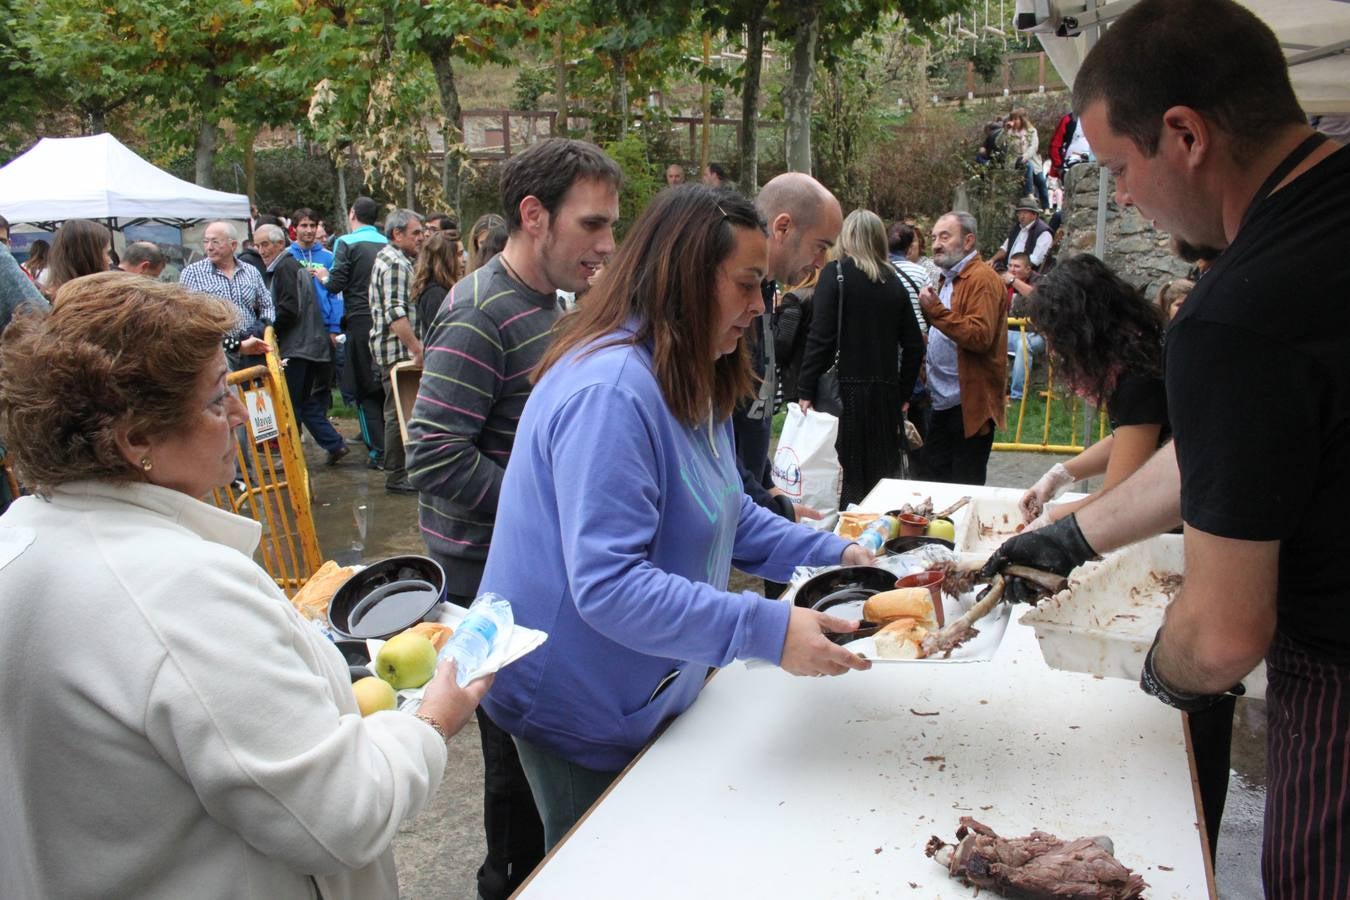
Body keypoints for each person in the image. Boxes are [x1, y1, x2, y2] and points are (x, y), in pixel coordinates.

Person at [981, 2, 1348, 894]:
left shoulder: (1241, 308)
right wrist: (1073, 538)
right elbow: (1228, 448)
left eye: (1118, 168)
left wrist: (1153, 677)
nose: (1127, 197)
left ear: (1184, 135)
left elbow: (1224, 635)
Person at [0, 272, 488, 898]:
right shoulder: (176, 589)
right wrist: (431, 720)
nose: (238, 413)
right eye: (212, 401)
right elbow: (342, 813)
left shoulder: (24, 539)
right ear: (136, 439)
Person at [477, 184, 873, 852]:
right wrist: (767, 629)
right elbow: (608, 585)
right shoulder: (609, 393)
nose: (758, 307)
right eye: (747, 286)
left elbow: (728, 515)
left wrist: (839, 554)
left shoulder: (688, 370)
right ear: (687, 279)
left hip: (646, 686)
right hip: (580, 705)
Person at [405, 138, 621, 900]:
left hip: (535, 564)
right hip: (488, 577)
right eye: (592, 225)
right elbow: (430, 455)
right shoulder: (478, 312)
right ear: (534, 216)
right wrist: (544, 510)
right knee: (516, 775)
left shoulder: (554, 306)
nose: (606, 245)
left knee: (544, 757)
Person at [733, 172, 844, 528]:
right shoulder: (735, 303)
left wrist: (766, 482)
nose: (819, 261)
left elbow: (749, 411)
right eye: (820, 245)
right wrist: (764, 500)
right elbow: (715, 434)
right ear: (782, 228)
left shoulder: (765, 292)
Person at [798, 210, 925, 507]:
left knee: (845, 477)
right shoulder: (893, 283)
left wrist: (805, 388)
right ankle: (875, 536)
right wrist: (903, 392)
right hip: (884, 395)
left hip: (843, 392)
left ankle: (846, 541)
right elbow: (914, 345)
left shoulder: (835, 274)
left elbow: (821, 337)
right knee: (880, 479)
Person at [916, 211, 1007, 485]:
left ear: (968, 242)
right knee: (935, 484)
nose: (936, 244)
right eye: (934, 237)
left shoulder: (982, 279)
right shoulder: (950, 277)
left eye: (945, 236)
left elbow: (980, 336)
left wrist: (936, 312)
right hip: (943, 401)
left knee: (963, 488)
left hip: (968, 406)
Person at [254, 224, 349, 465]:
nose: (261, 250)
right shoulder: (291, 266)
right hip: (310, 345)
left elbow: (288, 309)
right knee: (304, 402)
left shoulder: (285, 267)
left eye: (265, 244)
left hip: (297, 347)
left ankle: (290, 457)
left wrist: (267, 329)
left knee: (290, 404)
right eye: (257, 245)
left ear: (279, 244)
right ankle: (334, 444)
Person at [320, 197, 389, 469]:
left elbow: (335, 284)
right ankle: (392, 449)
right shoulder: (387, 243)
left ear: (352, 214)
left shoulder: (346, 243)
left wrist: (323, 276)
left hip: (360, 322)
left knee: (364, 390)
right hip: (387, 321)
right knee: (385, 387)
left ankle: (378, 453)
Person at [368, 209, 425, 494]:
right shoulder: (394, 264)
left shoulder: (400, 260)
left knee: (401, 410)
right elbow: (395, 313)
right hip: (397, 351)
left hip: (398, 349)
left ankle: (402, 470)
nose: (421, 237)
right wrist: (416, 348)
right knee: (399, 412)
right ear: (397, 234)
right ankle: (397, 474)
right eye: (415, 232)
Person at [179, 221, 274, 369]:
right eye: (206, 242)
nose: (209, 247)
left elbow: (267, 305)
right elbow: (187, 318)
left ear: (233, 245)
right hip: (217, 353)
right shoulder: (192, 273)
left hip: (253, 349)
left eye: (215, 242)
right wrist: (235, 344)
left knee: (257, 391)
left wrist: (263, 328)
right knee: (228, 392)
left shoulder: (250, 271)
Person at [289, 208, 343, 349]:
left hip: (324, 326)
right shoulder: (286, 256)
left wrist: (335, 328)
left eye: (312, 225)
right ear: (295, 228)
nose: (309, 230)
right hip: (295, 326)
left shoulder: (329, 257)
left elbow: (336, 294)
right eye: (304, 225)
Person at [1003, 252, 1042, 402]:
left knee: (1023, 345)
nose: (1012, 270)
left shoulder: (1040, 281)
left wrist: (1013, 281)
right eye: (1010, 266)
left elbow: (1036, 297)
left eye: (1017, 266)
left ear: (1028, 269)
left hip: (1037, 334)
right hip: (1011, 332)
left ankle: (1017, 397)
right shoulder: (1004, 281)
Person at [410, 230, 462, 341]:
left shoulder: (443, 289)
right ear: (446, 258)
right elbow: (443, 339)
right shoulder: (436, 295)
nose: (463, 260)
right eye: (458, 255)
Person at [46, 219, 114, 295]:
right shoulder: (96, 300)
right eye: (106, 253)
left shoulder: (54, 296)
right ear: (87, 257)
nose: (110, 261)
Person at [988, 196, 1054, 271]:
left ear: (1034, 215)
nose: (1021, 216)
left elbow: (1035, 260)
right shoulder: (1017, 227)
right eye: (1019, 213)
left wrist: (1013, 269)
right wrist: (992, 260)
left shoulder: (1044, 233)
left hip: (1028, 276)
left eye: (1025, 213)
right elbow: (1005, 248)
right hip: (1009, 269)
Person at [999, 109, 1049, 210]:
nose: (1013, 121)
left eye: (1016, 119)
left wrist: (1024, 157)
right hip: (1014, 162)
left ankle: (1046, 207)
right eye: (1012, 119)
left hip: (1031, 160)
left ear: (1022, 119)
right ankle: (1029, 193)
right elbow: (998, 143)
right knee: (1028, 166)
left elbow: (1034, 147)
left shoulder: (1032, 131)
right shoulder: (1009, 132)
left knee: (1041, 181)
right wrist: (1004, 131)